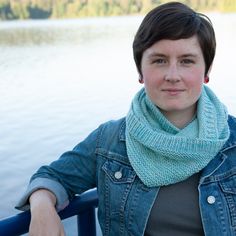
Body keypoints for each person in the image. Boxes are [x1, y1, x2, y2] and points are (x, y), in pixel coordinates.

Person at [16, 1, 236, 236]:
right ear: (140, 71)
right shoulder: (109, 141)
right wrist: (42, 207)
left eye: (187, 61)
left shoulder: (232, 142)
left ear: (207, 70)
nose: (173, 75)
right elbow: (51, 176)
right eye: (159, 60)